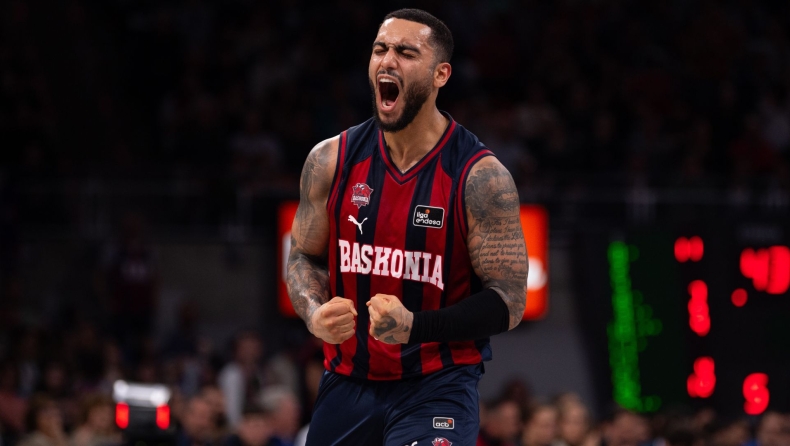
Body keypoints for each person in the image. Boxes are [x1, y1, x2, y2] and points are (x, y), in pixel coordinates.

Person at [286, 8, 528, 446]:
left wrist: (416, 327)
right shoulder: (329, 160)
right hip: (347, 383)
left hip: (438, 385)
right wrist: (313, 311)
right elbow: (304, 255)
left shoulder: (480, 177)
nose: (387, 60)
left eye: (406, 52)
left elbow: (509, 302)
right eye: (380, 49)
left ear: (441, 74)